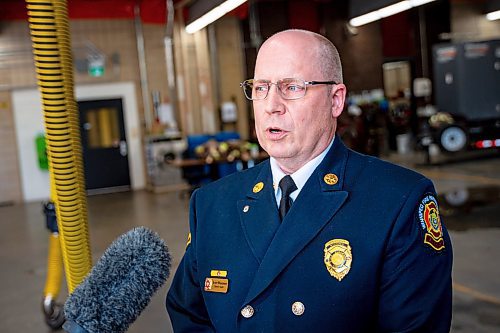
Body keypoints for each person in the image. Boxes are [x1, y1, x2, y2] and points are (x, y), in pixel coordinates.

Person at [166, 29, 452, 332]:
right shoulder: (212, 203)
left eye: (292, 87)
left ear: (335, 100)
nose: (271, 105)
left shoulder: (399, 202)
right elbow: (189, 315)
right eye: (261, 87)